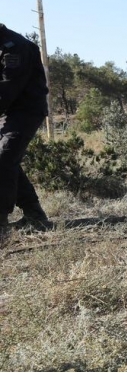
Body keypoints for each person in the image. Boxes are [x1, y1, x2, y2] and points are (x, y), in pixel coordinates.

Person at [0, 23, 53, 238]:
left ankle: (1, 220)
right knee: (7, 160)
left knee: (3, 159)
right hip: (8, 113)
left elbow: (7, 88)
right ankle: (34, 213)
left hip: (26, 112)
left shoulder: (15, 47)